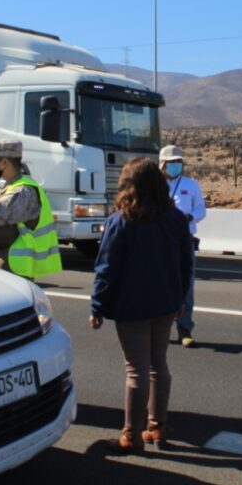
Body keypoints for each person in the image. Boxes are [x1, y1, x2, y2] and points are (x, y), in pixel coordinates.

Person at [90, 157, 193, 454]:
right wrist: (181, 298)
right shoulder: (175, 219)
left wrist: (97, 307)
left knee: (136, 369)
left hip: (131, 308)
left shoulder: (121, 222)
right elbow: (186, 265)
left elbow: (106, 270)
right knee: (158, 365)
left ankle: (131, 434)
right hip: (165, 305)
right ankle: (157, 425)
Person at [0, 139, 61, 278]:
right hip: (8, 259)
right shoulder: (11, 186)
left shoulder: (24, 190)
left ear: (5, 162)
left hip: (16, 264)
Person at [160, 144, 206, 348]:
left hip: (185, 239)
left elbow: (201, 209)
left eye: (178, 162)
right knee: (161, 284)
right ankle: (161, 328)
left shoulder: (191, 184)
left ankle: (184, 328)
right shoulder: (154, 186)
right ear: (162, 165)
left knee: (186, 285)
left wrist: (191, 216)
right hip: (160, 240)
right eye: (171, 163)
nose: (176, 165)